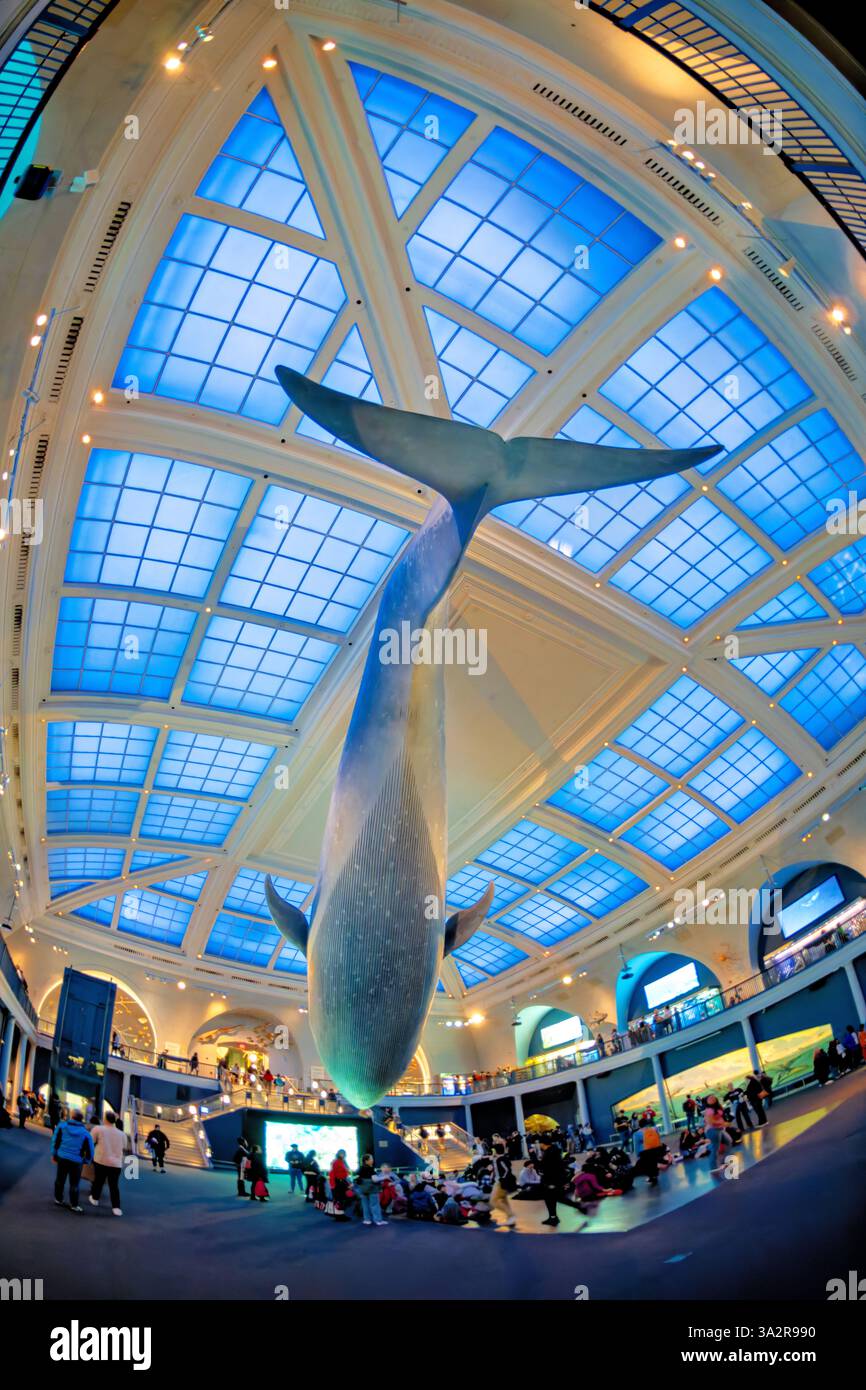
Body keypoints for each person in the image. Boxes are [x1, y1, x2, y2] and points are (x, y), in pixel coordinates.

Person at [52, 1108, 94, 1212]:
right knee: (74, 1184)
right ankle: (74, 1205)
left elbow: (55, 1140)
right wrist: (87, 1160)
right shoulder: (85, 1133)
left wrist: (54, 1154)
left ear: (71, 1116)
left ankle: (58, 1199)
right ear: (81, 1119)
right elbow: (90, 1149)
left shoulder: (62, 1126)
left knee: (60, 1180)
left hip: (62, 1157)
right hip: (76, 1161)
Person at [89, 1111, 126, 1216]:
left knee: (98, 1181)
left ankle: (95, 1199)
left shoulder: (98, 1129)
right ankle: (116, 1207)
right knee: (114, 1186)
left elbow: (90, 1141)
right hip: (116, 1163)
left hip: (100, 1160)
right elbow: (124, 1146)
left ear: (105, 1119)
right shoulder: (122, 1134)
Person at [539, 1134, 567, 1226]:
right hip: (553, 1180)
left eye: (540, 1143)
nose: (539, 1145)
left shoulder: (550, 1152)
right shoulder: (552, 1151)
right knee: (551, 1199)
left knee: (555, 1199)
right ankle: (553, 1217)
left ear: (543, 1143)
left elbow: (550, 1167)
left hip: (552, 1180)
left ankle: (581, 1208)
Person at [354, 1153, 387, 1225]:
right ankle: (378, 1220)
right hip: (372, 1189)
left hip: (363, 1189)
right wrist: (384, 1177)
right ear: (366, 1161)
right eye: (371, 1159)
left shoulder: (360, 1168)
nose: (372, 1160)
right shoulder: (370, 1169)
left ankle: (367, 1220)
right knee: (375, 1204)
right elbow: (375, 1179)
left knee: (365, 1204)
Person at [489, 1143, 516, 1228]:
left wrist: (501, 1179)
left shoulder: (501, 1159)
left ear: (495, 1150)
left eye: (493, 1150)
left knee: (493, 1201)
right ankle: (511, 1218)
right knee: (504, 1200)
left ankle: (511, 1216)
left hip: (501, 1183)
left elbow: (507, 1170)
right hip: (500, 1182)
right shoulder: (499, 1158)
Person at [702, 1095, 730, 1174]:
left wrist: (724, 1122)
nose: (712, 1099)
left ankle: (724, 1162)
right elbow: (710, 1122)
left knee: (728, 1142)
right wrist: (722, 1123)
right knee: (715, 1148)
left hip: (719, 1129)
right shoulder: (709, 1110)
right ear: (707, 1101)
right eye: (709, 1098)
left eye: (713, 1097)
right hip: (712, 1130)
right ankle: (713, 1167)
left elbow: (721, 1116)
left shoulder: (718, 1107)